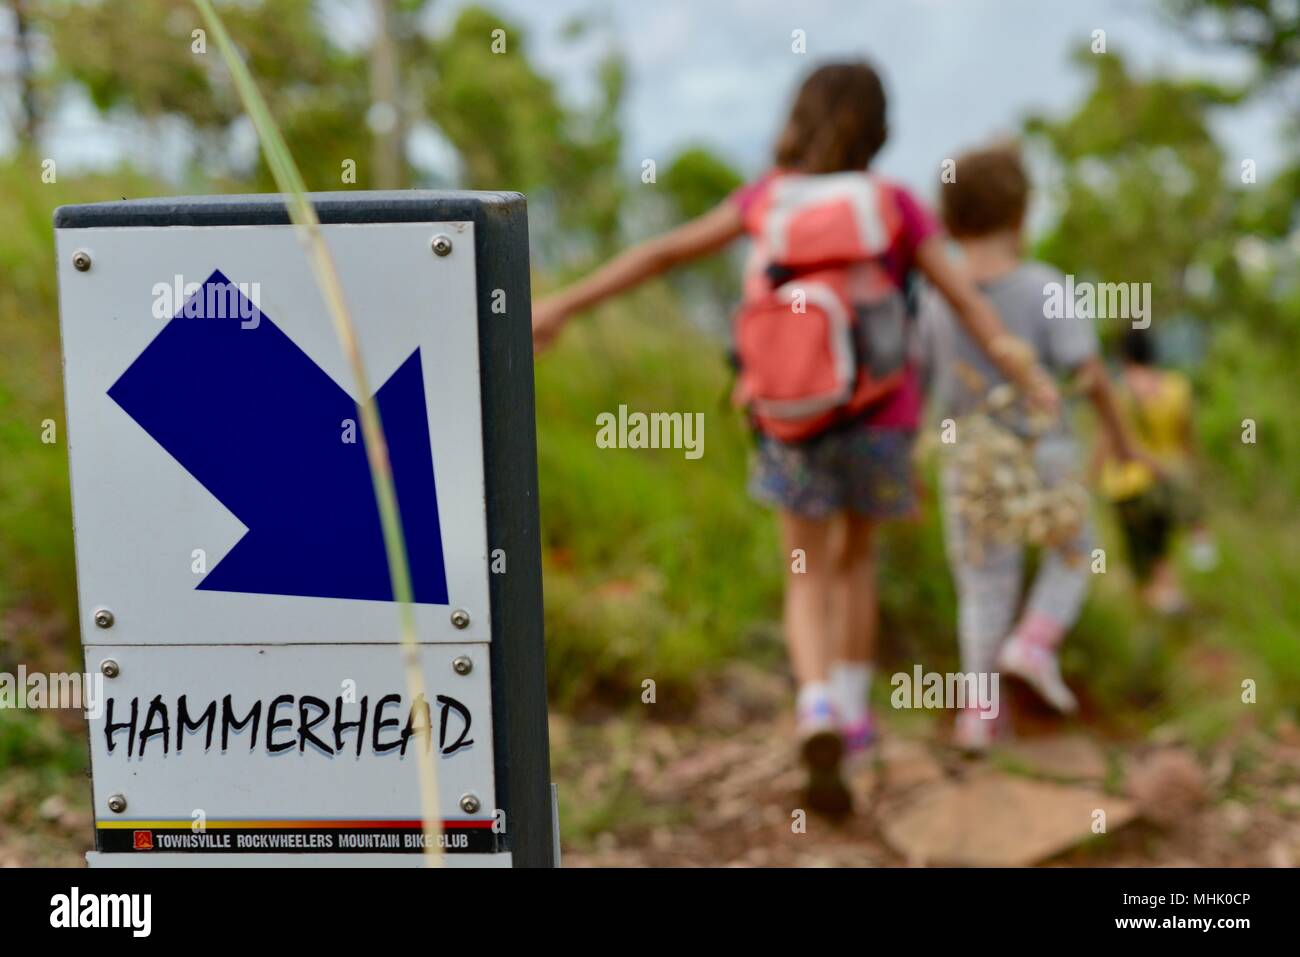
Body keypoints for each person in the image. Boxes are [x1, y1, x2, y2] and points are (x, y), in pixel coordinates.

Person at [532, 63, 1059, 813]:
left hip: (789, 416)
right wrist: (1023, 368)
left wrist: (562, 306)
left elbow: (663, 254)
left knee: (805, 568)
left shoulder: (766, 199)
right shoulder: (893, 205)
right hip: (878, 415)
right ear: (878, 127)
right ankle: (852, 713)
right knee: (855, 562)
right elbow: (966, 300)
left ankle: (812, 704)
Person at [918, 142, 1144, 752]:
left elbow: (924, 385)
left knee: (983, 585)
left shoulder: (939, 299)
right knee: (1077, 550)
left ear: (949, 218)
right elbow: (1090, 376)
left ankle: (978, 717)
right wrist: (1125, 444)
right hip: (1042, 449)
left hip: (969, 456)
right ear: (1022, 214)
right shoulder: (1045, 285)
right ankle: (1035, 642)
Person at [1099, 327, 1209, 614]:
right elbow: (1186, 439)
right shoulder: (1176, 387)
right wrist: (1190, 476)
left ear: (1123, 355)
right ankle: (1167, 604)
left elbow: (1108, 442)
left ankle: (1153, 615)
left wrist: (1088, 478)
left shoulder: (1118, 391)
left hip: (1124, 486)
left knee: (1140, 558)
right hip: (1164, 484)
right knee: (1160, 551)